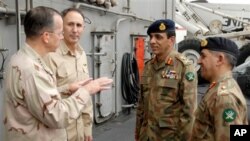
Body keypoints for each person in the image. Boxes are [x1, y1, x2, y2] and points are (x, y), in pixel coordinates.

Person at [3, 6, 113, 141]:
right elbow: (57, 116)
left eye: (79, 25)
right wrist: (86, 90)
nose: (62, 37)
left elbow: (41, 96)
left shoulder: (21, 59)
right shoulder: (31, 69)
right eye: (60, 32)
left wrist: (67, 88)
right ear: (46, 37)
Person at [135, 19, 197, 141]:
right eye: (151, 37)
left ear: (171, 40)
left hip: (169, 137)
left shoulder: (184, 67)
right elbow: (141, 105)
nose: (152, 41)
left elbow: (189, 111)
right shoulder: (149, 66)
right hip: (146, 135)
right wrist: (138, 133)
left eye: (158, 37)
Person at [43, 8, 92, 141]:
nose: (75, 30)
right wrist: (68, 88)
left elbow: (86, 94)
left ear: (83, 28)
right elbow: (42, 98)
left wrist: (87, 127)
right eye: (70, 24)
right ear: (61, 27)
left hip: (80, 131)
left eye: (79, 25)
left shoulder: (82, 55)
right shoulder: (50, 56)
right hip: (59, 133)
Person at [192, 37, 248, 140]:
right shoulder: (222, 87)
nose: (199, 61)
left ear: (220, 59)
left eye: (203, 56)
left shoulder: (224, 97)